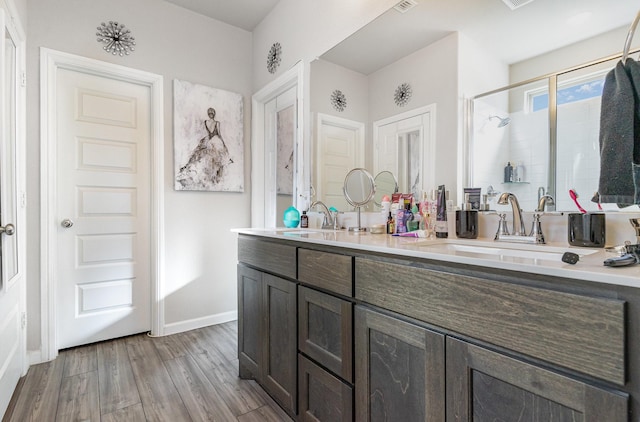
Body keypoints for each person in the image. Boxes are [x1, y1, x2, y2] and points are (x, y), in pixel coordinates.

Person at [176, 107, 233, 189]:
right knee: (219, 158)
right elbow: (219, 134)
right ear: (214, 114)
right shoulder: (217, 123)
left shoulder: (206, 122)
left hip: (207, 139)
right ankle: (215, 178)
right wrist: (224, 144)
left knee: (200, 154)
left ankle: (193, 170)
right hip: (215, 140)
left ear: (208, 114)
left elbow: (208, 132)